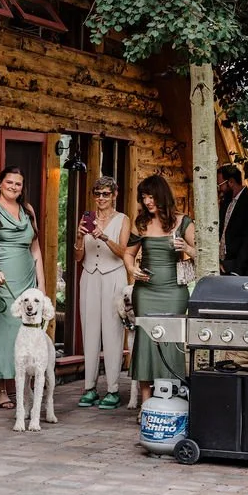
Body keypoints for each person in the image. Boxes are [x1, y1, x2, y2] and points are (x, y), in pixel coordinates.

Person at [0, 166, 46, 408]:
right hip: (1, 279)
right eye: (9, 182)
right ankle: (1, 387)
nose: (13, 187)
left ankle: (26, 386)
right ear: (0, 183)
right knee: (4, 331)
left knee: (28, 331)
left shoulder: (28, 210)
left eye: (18, 184)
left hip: (26, 279)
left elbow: (36, 250)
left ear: (22, 188)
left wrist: (41, 285)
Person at [123, 174, 195, 406]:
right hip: (146, 291)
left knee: (171, 341)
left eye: (151, 196)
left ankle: (171, 400)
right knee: (146, 341)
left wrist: (187, 248)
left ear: (162, 195)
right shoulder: (141, 223)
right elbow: (128, 254)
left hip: (174, 291)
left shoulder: (183, 222)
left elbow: (203, 254)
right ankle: (146, 403)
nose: (147, 202)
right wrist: (132, 269)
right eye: (144, 197)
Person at [73, 176, 130, 410]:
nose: (101, 198)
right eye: (97, 194)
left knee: (112, 331)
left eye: (106, 194)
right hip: (90, 276)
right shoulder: (87, 218)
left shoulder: (123, 220)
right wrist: (79, 237)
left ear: (114, 195)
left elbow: (124, 252)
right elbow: (78, 257)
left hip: (114, 276)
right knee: (90, 331)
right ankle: (89, 387)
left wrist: (104, 236)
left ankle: (113, 389)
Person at [217, 164, 248, 276]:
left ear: (231, 182)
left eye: (220, 185)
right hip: (225, 267)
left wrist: (236, 269)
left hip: (245, 270)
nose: (219, 189)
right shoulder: (226, 202)